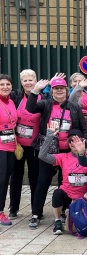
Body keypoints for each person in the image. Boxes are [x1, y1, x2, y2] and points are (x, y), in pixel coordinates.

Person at [26, 77, 87, 229]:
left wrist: (85, 145)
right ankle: (36, 214)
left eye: (62, 88)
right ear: (52, 91)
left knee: (65, 182)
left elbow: (84, 128)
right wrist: (35, 91)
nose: (59, 90)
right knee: (43, 181)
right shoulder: (46, 104)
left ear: (66, 90)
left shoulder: (74, 106)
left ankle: (63, 212)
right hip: (49, 149)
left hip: (68, 150)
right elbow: (30, 108)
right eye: (56, 88)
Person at [38, 125, 87, 235]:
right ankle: (58, 220)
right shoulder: (63, 157)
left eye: (79, 140)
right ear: (69, 144)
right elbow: (42, 156)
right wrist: (49, 136)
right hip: (67, 195)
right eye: (72, 141)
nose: (75, 144)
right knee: (57, 193)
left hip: (83, 197)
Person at [8, 69, 41, 220]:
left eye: (31, 80)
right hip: (18, 145)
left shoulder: (43, 98)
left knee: (34, 177)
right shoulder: (15, 97)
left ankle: (36, 210)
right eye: (25, 80)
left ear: (36, 81)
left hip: (35, 145)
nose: (28, 83)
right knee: (16, 177)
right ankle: (13, 208)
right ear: (21, 82)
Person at [0, 74, 18, 226]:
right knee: (0, 180)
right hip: (0, 147)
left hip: (11, 146)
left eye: (7, 84)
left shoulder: (11, 101)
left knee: (6, 180)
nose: (5, 87)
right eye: (2, 84)